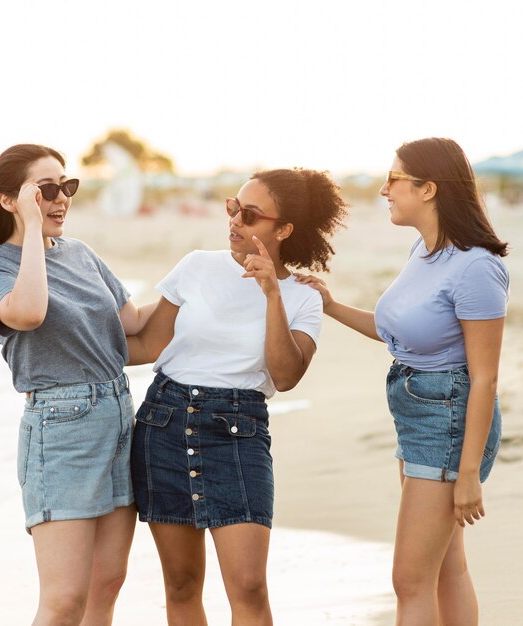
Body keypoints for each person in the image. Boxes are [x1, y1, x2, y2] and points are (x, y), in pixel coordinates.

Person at [296, 137, 509, 625]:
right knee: (444, 570)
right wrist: (330, 305)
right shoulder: (426, 251)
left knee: (410, 579)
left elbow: (485, 378)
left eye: (394, 179)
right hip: (418, 411)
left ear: (429, 188)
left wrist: (469, 474)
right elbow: (399, 333)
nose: (384, 189)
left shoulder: (476, 267)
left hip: (449, 419)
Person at [126, 168, 348, 625]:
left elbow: (285, 376)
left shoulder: (303, 298)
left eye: (250, 215)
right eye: (233, 208)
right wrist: (66, 357)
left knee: (248, 585)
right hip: (164, 423)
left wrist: (271, 293)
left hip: (238, 432)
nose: (234, 221)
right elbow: (149, 345)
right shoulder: (196, 266)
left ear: (283, 230)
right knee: (182, 584)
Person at [0, 144, 153, 626]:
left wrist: (198, 279)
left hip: (118, 415)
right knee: (63, 601)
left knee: (106, 587)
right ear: (10, 200)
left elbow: (134, 324)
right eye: (46, 189)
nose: (61, 197)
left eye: (67, 186)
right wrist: (34, 230)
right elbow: (30, 312)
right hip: (62, 430)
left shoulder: (80, 253)